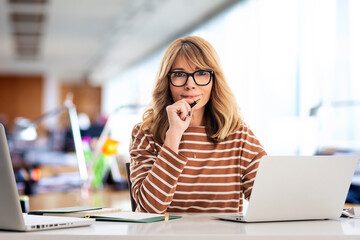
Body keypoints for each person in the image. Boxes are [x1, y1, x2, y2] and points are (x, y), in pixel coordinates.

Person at [129, 36, 267, 213]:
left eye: (201, 73)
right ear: (167, 81)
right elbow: (150, 208)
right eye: (179, 74)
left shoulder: (239, 135)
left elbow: (268, 200)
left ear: (214, 79)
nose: (190, 84)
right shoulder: (145, 133)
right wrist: (174, 134)